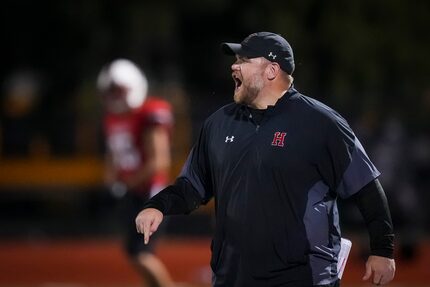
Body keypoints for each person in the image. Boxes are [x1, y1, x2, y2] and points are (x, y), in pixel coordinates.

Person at [135, 32, 396, 286]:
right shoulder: (218, 124)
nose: (233, 67)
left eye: (243, 61)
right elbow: (192, 187)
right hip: (233, 276)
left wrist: (382, 249)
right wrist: (157, 205)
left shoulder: (321, 123)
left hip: (302, 276)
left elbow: (366, 187)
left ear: (272, 70)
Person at [97, 58, 175, 287]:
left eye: (119, 90)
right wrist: (112, 179)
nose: (115, 96)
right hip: (132, 193)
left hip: (151, 193)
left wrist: (125, 184)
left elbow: (160, 161)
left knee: (140, 253)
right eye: (112, 91)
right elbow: (113, 154)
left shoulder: (149, 113)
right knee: (135, 252)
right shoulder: (112, 117)